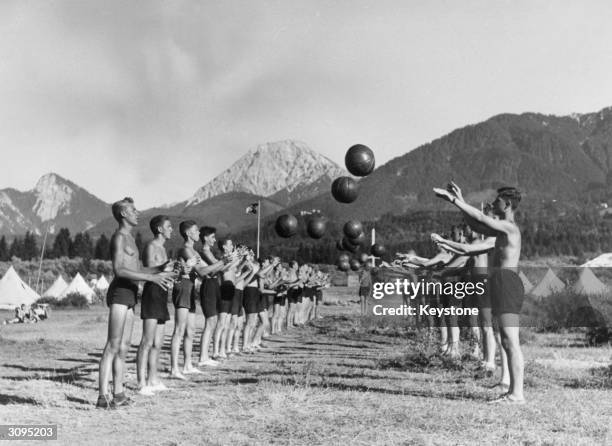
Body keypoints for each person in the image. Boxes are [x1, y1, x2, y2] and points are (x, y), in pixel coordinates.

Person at [435, 182, 525, 403]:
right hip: (500, 282)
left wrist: (455, 200)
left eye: (497, 201)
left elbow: (482, 220)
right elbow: (478, 225)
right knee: (505, 339)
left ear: (508, 204)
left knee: (510, 340)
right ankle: (511, 389)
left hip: (507, 281)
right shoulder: (500, 229)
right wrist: (460, 203)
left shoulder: (509, 227)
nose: (493, 203)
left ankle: (517, 394)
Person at [97, 197, 174, 409]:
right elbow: (119, 270)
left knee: (124, 347)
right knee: (112, 345)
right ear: (123, 214)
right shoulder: (119, 238)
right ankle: (103, 397)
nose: (137, 212)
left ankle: (119, 394)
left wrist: (162, 268)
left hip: (131, 294)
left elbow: (139, 270)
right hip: (120, 293)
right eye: (133, 210)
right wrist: (152, 278)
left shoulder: (131, 238)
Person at [136, 215, 174, 395]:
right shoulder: (151, 247)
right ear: (160, 229)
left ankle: (153, 378)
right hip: (152, 294)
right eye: (169, 226)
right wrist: (166, 267)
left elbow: (164, 272)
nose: (171, 229)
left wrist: (179, 271)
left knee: (158, 342)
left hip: (162, 294)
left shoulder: (163, 248)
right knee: (147, 341)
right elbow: (148, 270)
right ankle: (141, 382)